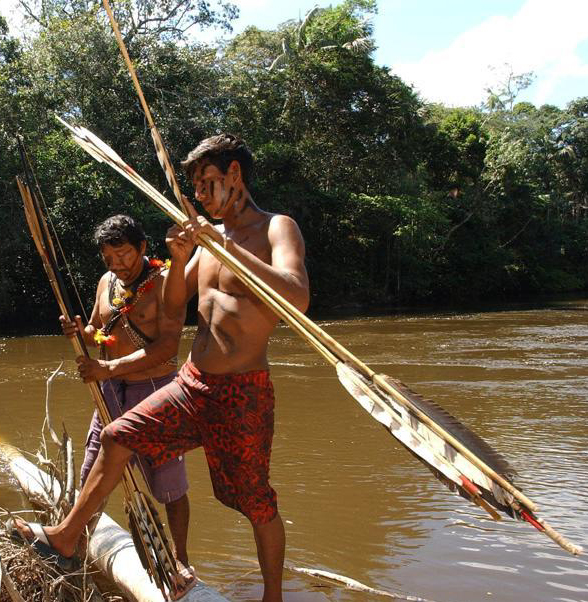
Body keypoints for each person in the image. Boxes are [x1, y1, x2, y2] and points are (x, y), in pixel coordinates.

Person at [12, 134, 310, 602]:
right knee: (116, 437)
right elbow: (173, 308)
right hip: (193, 383)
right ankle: (66, 538)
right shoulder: (211, 243)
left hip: (241, 391)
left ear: (235, 175)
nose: (203, 197)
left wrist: (226, 248)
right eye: (196, 189)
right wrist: (179, 256)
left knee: (254, 501)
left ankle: (272, 596)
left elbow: (296, 296)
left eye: (209, 183)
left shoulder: (275, 228)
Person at [58, 215, 195, 596]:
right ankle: (74, 547)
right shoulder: (107, 282)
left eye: (125, 255)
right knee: (92, 475)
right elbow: (103, 332)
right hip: (111, 393)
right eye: (109, 257)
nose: (118, 264)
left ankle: (180, 559)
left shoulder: (167, 283)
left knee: (169, 482)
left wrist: (106, 368)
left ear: (142, 248)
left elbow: (168, 347)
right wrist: (80, 332)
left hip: (155, 391)